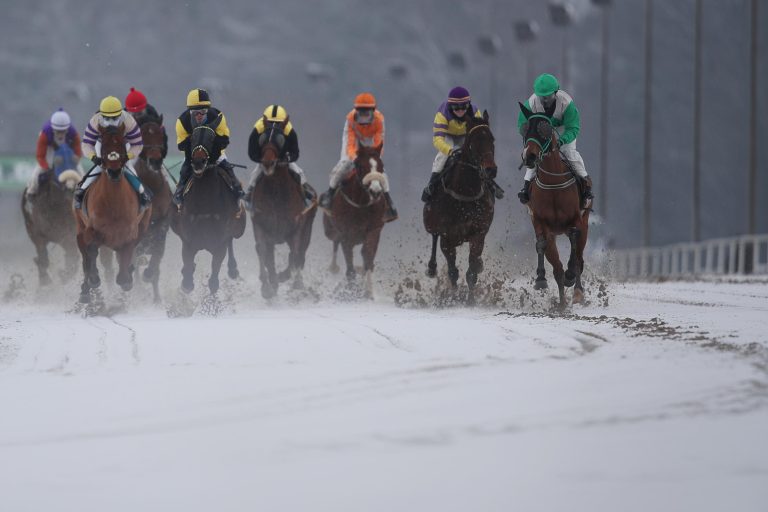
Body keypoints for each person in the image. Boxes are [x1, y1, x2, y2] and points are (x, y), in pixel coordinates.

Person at [517, 73, 593, 208]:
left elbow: (573, 128)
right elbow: (522, 124)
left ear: (556, 92)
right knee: (535, 154)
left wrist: (561, 141)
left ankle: (585, 184)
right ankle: (526, 186)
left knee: (569, 153)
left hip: (563, 131)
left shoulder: (566, 103)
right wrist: (528, 133)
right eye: (541, 97)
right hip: (540, 132)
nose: (545, 100)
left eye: (548, 96)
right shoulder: (530, 103)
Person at [319, 93, 397, 222]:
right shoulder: (350, 119)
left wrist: (373, 157)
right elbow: (350, 144)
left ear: (373, 111)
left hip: (372, 143)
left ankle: (389, 202)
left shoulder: (379, 120)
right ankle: (330, 193)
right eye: (361, 112)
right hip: (354, 141)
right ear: (356, 111)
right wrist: (356, 158)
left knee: (379, 169)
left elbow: (379, 142)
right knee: (344, 164)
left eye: (367, 112)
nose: (364, 116)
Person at [73, 96, 152, 211]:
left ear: (120, 114)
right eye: (107, 118)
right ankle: (82, 191)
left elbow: (137, 144)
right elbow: (86, 144)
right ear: (101, 115)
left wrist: (127, 156)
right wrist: (94, 157)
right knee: (100, 167)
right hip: (102, 144)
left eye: (114, 118)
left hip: (122, 144)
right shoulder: (95, 121)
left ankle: (142, 193)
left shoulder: (128, 120)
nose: (111, 121)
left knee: (127, 166)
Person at [172, 88, 244, 207]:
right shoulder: (182, 122)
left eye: (203, 111)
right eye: (195, 113)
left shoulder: (218, 117)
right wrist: (196, 148)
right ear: (189, 112)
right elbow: (182, 146)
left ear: (208, 110)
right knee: (185, 170)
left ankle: (237, 188)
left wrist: (210, 153)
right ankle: (180, 191)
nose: (199, 116)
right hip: (193, 153)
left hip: (215, 152)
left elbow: (224, 141)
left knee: (226, 166)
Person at [421, 86, 491, 202]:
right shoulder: (442, 114)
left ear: (468, 105)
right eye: (456, 107)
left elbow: (479, 135)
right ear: (450, 106)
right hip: (448, 136)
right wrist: (450, 151)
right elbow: (438, 140)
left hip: (466, 135)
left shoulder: (475, 112)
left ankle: (490, 184)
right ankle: (431, 184)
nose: (460, 110)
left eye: (464, 107)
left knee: (477, 153)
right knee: (442, 156)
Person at [243, 104, 316, 210]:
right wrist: (261, 159)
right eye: (271, 122)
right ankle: (250, 194)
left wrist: (287, 159)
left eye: (278, 123)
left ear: (283, 123)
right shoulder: (258, 128)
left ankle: (305, 193)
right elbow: (252, 151)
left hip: (282, 157)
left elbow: (295, 152)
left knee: (298, 171)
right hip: (265, 158)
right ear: (265, 121)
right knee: (255, 173)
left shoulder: (289, 130)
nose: (274, 125)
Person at [26, 108, 83, 197]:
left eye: (63, 131)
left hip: (67, 150)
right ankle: (31, 191)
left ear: (67, 129)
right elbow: (40, 156)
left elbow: (78, 152)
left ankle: (83, 192)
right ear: (53, 129)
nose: (60, 134)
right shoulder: (45, 133)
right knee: (37, 173)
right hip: (50, 148)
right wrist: (47, 167)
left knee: (81, 174)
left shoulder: (73, 133)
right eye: (58, 131)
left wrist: (75, 160)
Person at [124, 87, 168, 159]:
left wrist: (162, 155)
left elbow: (163, 136)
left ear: (145, 108)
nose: (137, 117)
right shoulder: (123, 118)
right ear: (128, 111)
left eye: (139, 113)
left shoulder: (152, 114)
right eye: (134, 114)